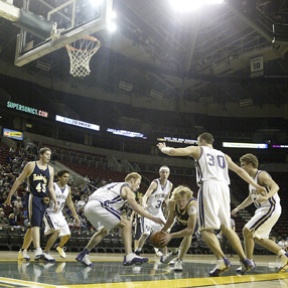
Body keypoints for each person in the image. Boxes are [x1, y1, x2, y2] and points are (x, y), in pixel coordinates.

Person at [157, 132, 266, 276]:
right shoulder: (223, 155)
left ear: (201, 141)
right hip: (224, 188)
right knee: (227, 228)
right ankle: (245, 260)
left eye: (197, 141)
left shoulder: (198, 149)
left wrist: (163, 148)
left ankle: (222, 261)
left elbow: (174, 151)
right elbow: (239, 170)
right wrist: (256, 185)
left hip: (209, 186)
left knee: (205, 230)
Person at [75, 172, 165, 267]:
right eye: (138, 183)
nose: (138, 187)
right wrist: (154, 218)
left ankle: (83, 254)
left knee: (104, 231)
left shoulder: (115, 185)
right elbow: (137, 208)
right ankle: (129, 255)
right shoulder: (127, 188)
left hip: (89, 207)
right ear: (132, 180)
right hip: (100, 205)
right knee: (127, 224)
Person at [231, 153, 288, 273]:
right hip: (263, 209)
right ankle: (284, 256)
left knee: (247, 230)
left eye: (243, 165)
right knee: (258, 238)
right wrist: (238, 208)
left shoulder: (261, 174)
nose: (241, 168)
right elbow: (250, 198)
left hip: (270, 207)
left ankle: (249, 262)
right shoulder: (251, 180)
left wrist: (266, 196)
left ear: (251, 164)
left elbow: (275, 186)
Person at [5, 147, 58, 261]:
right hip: (32, 197)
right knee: (35, 224)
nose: (49, 156)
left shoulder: (51, 169)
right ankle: (38, 250)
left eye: (50, 154)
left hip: (43, 199)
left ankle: (23, 250)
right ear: (41, 155)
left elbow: (50, 188)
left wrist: (55, 201)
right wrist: (10, 195)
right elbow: (19, 180)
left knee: (32, 226)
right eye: (47, 154)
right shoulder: (31, 165)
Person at [42, 170, 80, 261]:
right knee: (57, 231)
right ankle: (45, 253)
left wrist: (75, 215)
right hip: (49, 212)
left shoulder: (68, 188)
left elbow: (69, 202)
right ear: (59, 177)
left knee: (67, 235)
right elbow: (45, 198)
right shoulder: (53, 186)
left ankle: (59, 247)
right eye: (64, 176)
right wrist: (47, 200)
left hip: (59, 214)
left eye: (68, 177)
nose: (67, 178)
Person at [135, 166, 173, 257]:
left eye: (166, 172)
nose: (164, 174)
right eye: (163, 172)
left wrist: (170, 209)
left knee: (164, 233)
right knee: (145, 233)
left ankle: (165, 256)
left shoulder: (170, 185)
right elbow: (146, 195)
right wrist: (143, 203)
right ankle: (137, 252)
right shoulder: (155, 183)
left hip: (158, 212)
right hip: (148, 211)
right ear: (159, 173)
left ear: (169, 174)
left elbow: (167, 199)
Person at [159, 185, 197, 272]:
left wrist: (171, 235)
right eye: (178, 201)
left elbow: (190, 229)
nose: (181, 203)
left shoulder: (192, 205)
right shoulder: (171, 203)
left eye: (183, 200)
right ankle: (174, 253)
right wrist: (162, 231)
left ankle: (179, 260)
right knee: (171, 245)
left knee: (188, 234)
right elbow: (170, 220)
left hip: (193, 224)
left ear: (188, 199)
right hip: (180, 222)